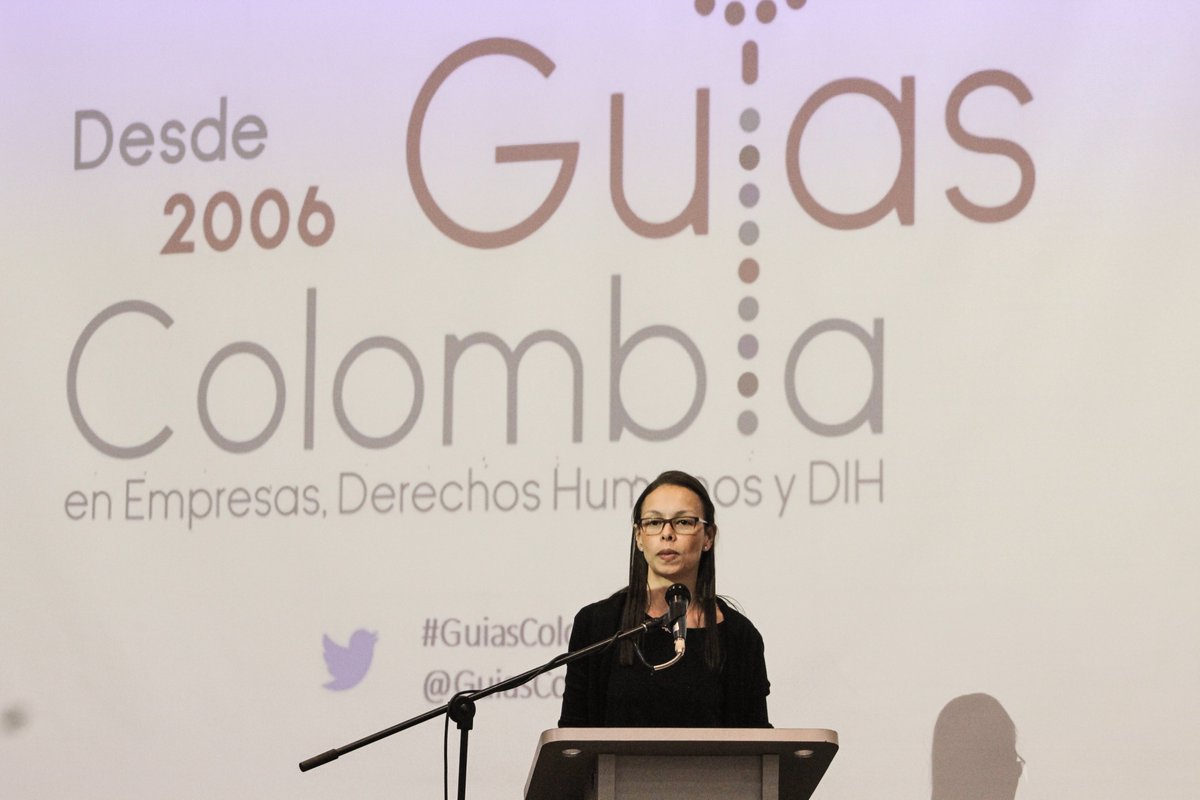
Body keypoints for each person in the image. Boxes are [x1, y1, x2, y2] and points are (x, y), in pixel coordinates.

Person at [557, 470, 771, 727]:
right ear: (639, 537)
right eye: (654, 522)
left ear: (708, 537)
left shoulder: (739, 637)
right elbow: (572, 735)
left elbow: (757, 741)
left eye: (683, 522)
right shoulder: (597, 625)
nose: (667, 533)